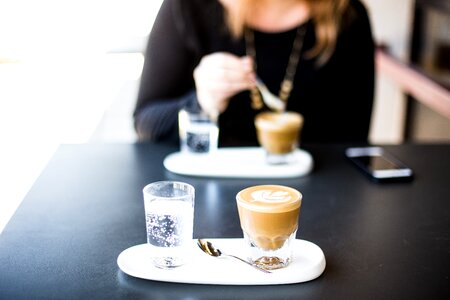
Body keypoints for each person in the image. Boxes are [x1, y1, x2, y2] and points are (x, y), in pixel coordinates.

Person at [134, 0, 375, 146]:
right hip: (209, 192)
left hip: (316, 201)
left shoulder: (348, 18)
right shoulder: (191, 7)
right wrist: (202, 103)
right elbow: (146, 122)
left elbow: (353, 139)